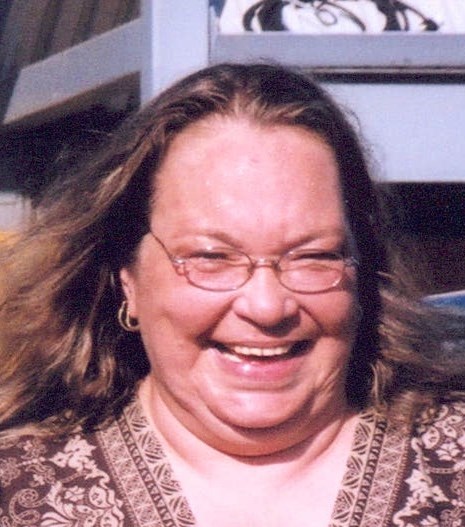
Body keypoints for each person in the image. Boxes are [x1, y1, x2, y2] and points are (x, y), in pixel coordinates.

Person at [0, 63, 464, 527]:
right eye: (212, 257)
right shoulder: (20, 493)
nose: (266, 306)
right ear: (128, 279)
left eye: (313, 257)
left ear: (362, 272)